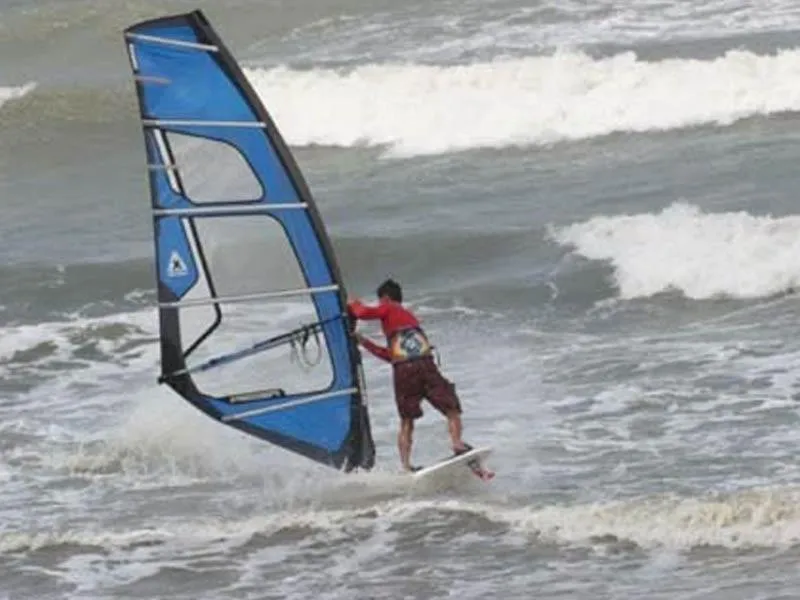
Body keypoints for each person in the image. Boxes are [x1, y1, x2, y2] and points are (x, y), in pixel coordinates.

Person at [347, 278, 470, 472]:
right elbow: (393, 354)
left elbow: (363, 314)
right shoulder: (410, 318)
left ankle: (405, 465)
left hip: (403, 370)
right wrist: (364, 341)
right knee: (451, 408)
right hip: (425, 365)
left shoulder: (388, 307)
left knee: (406, 420)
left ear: (385, 298)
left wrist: (352, 303)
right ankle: (457, 443)